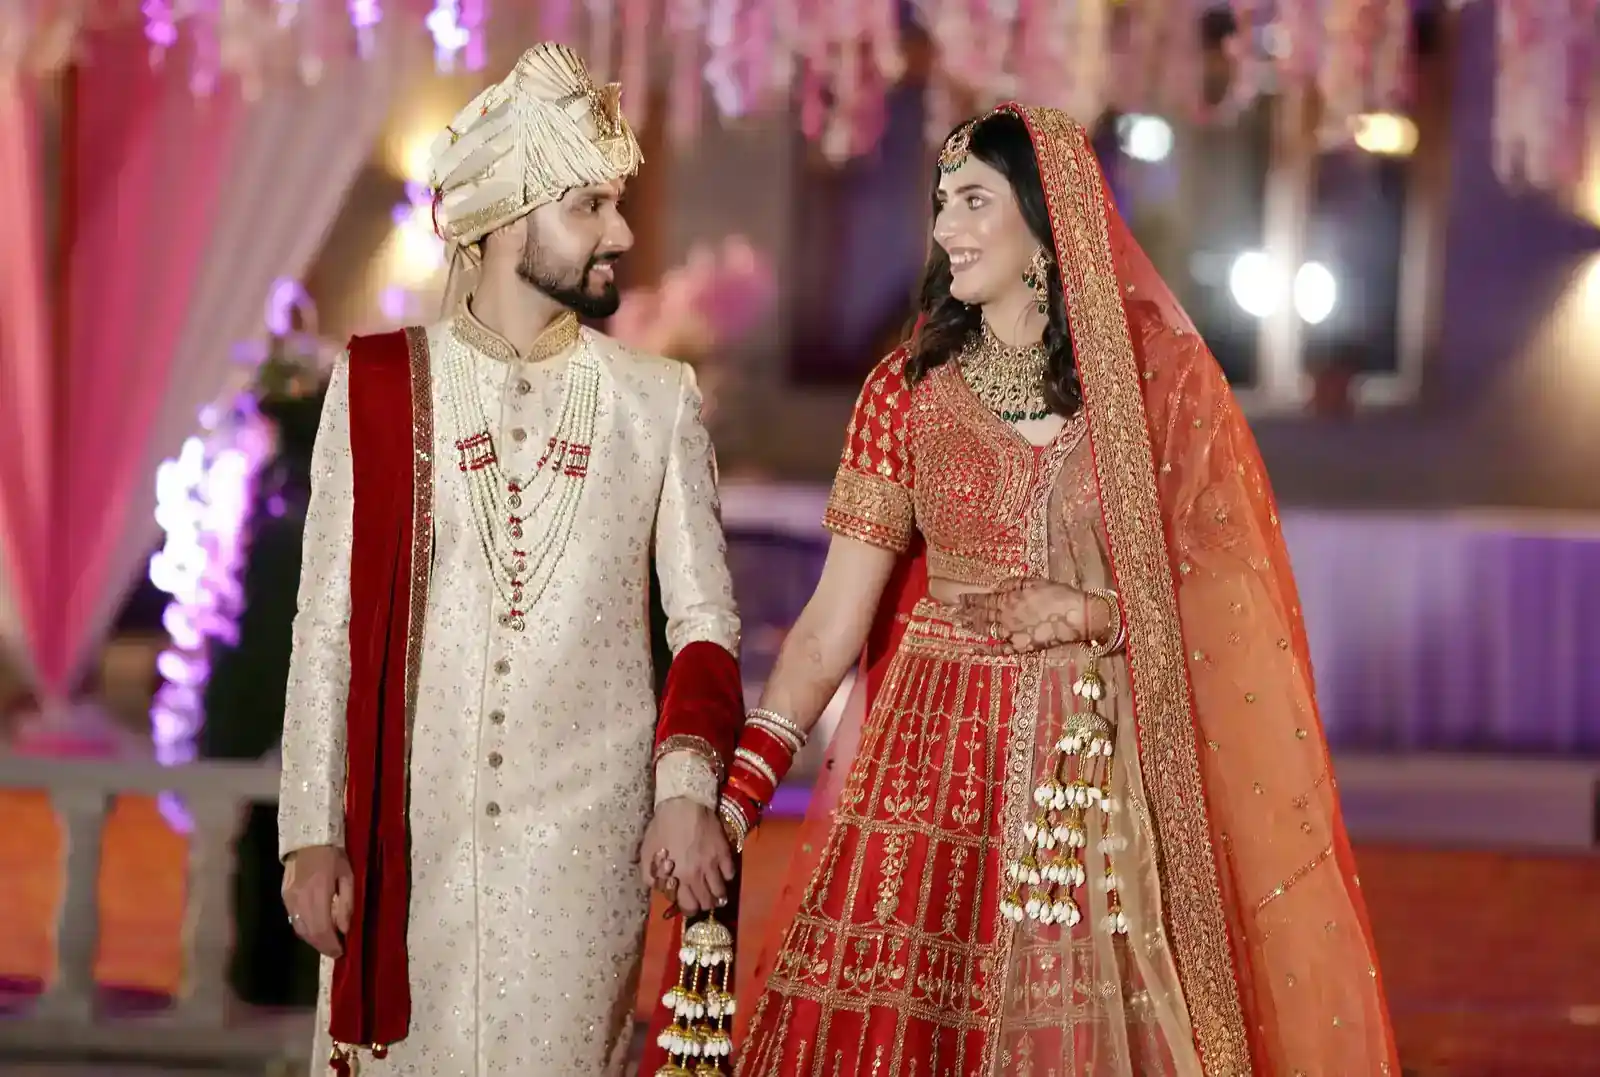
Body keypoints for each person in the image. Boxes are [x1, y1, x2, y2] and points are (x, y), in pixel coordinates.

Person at [716, 106, 1401, 1075]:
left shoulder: (1153, 388)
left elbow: (1234, 599)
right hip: (933, 772)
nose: (946, 227)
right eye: (940, 203)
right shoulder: (903, 393)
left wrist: (1095, 614)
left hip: (1093, 778)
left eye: (973, 201)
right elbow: (831, 622)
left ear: (1046, 218)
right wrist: (743, 788)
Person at [276, 43, 742, 1077]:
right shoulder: (380, 385)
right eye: (588, 206)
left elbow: (705, 623)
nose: (620, 233)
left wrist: (684, 784)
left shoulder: (653, 401)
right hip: (408, 837)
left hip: (583, 850)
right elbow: (327, 623)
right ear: (502, 219)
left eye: (616, 203)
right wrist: (309, 827)